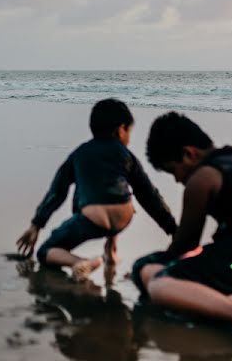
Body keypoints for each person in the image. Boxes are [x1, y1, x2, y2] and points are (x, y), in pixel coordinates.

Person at [131, 112, 232, 347]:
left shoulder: (203, 178)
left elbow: (185, 247)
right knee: (150, 270)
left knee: (156, 283)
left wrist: (151, 267)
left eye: (172, 170)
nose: (177, 180)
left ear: (188, 153)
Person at [16, 99, 177, 281]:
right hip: (123, 217)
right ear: (121, 129)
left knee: (45, 251)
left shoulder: (79, 154)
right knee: (117, 189)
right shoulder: (126, 155)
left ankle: (80, 262)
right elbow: (148, 194)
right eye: (129, 132)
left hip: (93, 219)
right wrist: (171, 228)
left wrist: (36, 224)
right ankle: (111, 252)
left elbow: (57, 192)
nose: (129, 138)